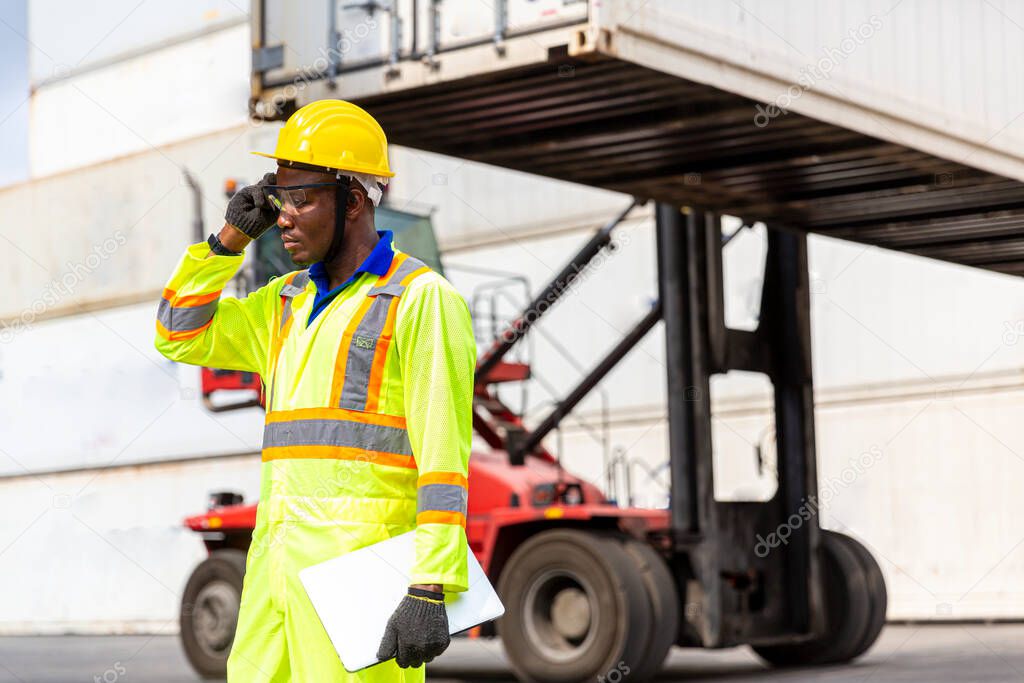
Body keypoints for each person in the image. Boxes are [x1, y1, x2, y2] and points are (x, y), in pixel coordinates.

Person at [154, 99, 475, 681]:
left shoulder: (423, 299)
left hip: (360, 580)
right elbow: (178, 334)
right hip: (273, 568)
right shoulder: (283, 302)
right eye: (277, 199)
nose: (283, 217)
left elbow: (444, 459)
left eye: (299, 198)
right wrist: (227, 241)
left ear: (352, 201)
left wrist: (431, 586)